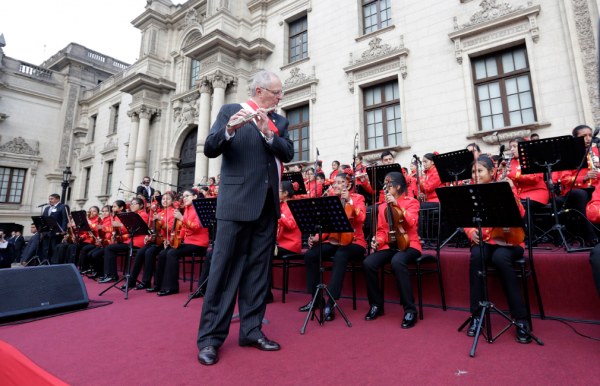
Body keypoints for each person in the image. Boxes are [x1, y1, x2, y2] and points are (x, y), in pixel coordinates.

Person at [197, 70, 294, 366]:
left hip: (267, 206)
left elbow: (288, 153)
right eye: (276, 93)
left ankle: (251, 330)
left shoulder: (279, 121)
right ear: (259, 91)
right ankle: (211, 339)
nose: (280, 97)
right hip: (237, 204)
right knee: (224, 271)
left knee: (258, 272)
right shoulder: (231, 111)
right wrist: (229, 129)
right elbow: (211, 147)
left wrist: (267, 133)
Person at [464, 156, 531, 344]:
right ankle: (477, 316)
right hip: (485, 241)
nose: (475, 175)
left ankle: (521, 319)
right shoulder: (470, 192)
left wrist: (510, 194)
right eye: (473, 172)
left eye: (480, 171)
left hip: (509, 241)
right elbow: (465, 221)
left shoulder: (505, 187)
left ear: (492, 173)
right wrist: (471, 234)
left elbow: (520, 215)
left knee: (501, 258)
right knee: (476, 256)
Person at [300, 170, 367, 321]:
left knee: (341, 255)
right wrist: (317, 238)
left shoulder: (358, 198)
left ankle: (331, 301)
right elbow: (326, 226)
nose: (335, 185)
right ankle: (317, 300)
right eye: (335, 182)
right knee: (310, 255)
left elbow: (362, 218)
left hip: (355, 242)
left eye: (340, 183)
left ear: (348, 185)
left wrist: (349, 201)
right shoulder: (331, 200)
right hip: (335, 240)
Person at [362, 172, 422, 328]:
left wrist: (397, 205)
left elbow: (412, 223)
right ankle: (376, 305)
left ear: (397, 187)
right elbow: (382, 231)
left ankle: (410, 310)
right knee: (369, 262)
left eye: (388, 184)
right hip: (391, 244)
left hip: (409, 244)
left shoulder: (411, 202)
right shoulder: (382, 206)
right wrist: (378, 241)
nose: (385, 188)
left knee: (397, 261)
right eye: (385, 184)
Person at [154, 189, 209, 296]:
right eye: (183, 197)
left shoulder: (200, 209)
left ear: (195, 197)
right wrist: (172, 241)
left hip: (199, 243)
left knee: (172, 253)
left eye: (187, 196)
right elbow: (182, 229)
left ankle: (172, 287)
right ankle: (158, 285)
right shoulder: (187, 209)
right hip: (188, 242)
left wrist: (181, 218)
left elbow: (196, 227)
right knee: (163, 253)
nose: (184, 199)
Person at [554, 125, 599, 245]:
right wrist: (584, 178)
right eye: (583, 136)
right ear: (575, 138)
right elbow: (564, 179)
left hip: (596, 187)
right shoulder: (569, 154)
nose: (588, 138)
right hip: (575, 189)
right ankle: (592, 236)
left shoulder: (596, 151)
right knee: (581, 194)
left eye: (590, 135)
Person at [126, 193, 174, 290]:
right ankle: (131, 280)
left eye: (168, 199)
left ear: (172, 201)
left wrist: (161, 220)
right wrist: (149, 236)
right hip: (157, 240)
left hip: (167, 241)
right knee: (140, 252)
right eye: (163, 199)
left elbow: (171, 229)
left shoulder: (173, 212)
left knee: (149, 252)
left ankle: (146, 281)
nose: (164, 201)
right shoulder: (159, 213)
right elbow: (154, 230)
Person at [266, 181, 302, 303]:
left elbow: (291, 225)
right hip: (280, 243)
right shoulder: (281, 206)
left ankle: (266, 294)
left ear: (286, 193)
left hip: (291, 244)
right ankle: (264, 292)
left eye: (278, 191)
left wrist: (277, 215)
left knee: (264, 255)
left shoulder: (294, 205)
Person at [503, 137, 549, 231]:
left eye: (514, 146)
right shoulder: (511, 162)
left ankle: (529, 237)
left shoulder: (534, 159)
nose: (512, 149)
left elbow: (534, 178)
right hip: (519, 195)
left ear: (523, 147)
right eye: (510, 147)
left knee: (520, 206)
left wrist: (512, 174)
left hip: (536, 194)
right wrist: (503, 177)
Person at [101, 198, 149, 284]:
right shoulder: (132, 214)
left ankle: (112, 275)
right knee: (109, 247)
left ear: (141, 205)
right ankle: (109, 274)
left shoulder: (143, 215)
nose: (132, 205)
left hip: (138, 241)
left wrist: (120, 225)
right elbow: (127, 231)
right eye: (131, 204)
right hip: (130, 240)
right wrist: (117, 235)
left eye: (135, 204)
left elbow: (136, 229)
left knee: (109, 248)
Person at [95, 200, 128, 283]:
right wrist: (114, 236)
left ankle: (112, 275)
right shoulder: (115, 217)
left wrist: (119, 235)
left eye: (114, 206)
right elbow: (114, 230)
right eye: (112, 206)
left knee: (108, 248)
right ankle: (107, 274)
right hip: (118, 240)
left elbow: (129, 231)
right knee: (102, 251)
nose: (112, 208)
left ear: (121, 208)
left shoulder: (125, 216)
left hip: (126, 240)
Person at [79, 206, 110, 276]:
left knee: (87, 250)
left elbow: (99, 229)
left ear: (97, 213)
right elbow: (85, 232)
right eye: (103, 211)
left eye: (106, 211)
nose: (91, 213)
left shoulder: (100, 220)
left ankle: (102, 271)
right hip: (98, 240)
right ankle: (92, 269)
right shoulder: (99, 220)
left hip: (100, 242)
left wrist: (89, 224)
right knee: (73, 246)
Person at [41, 194, 69, 263]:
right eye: (49, 199)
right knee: (45, 249)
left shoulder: (63, 207)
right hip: (46, 232)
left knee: (54, 249)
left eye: (52, 199)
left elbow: (65, 219)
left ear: (57, 199)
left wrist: (63, 230)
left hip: (56, 232)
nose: (50, 200)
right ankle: (45, 262)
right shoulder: (47, 208)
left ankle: (54, 263)